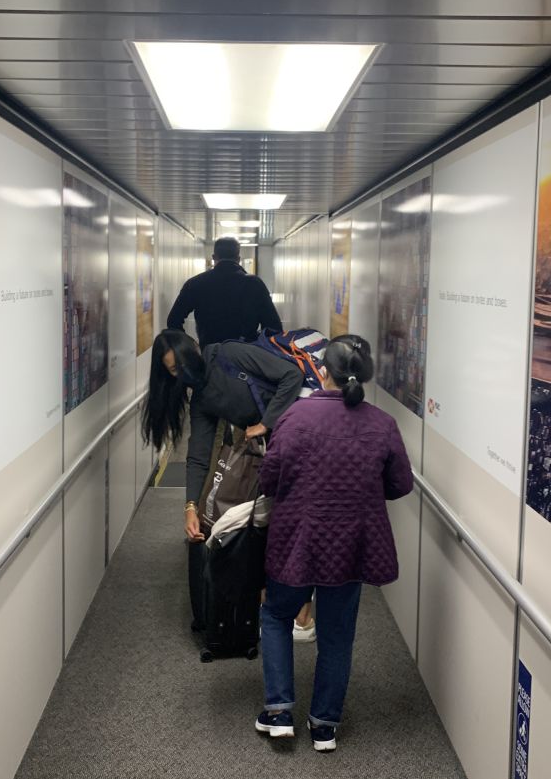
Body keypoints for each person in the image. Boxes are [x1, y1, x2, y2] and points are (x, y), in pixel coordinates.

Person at [252, 335, 412, 752]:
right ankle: (324, 725)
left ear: (323, 371)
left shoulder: (296, 416)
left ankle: (279, 711)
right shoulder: (382, 424)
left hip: (296, 541)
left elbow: (268, 479)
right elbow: (399, 485)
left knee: (275, 617)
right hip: (351, 547)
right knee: (338, 635)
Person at [140, 328, 304, 629]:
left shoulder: (230, 354)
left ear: (193, 348)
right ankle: (272, 601)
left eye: (182, 363)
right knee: (270, 522)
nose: (183, 373)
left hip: (297, 433)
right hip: (268, 452)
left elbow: (291, 376)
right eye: (174, 370)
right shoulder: (201, 398)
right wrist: (190, 506)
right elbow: (198, 456)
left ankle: (303, 614)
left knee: (295, 519)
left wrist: (265, 423)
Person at [166, 236, 282, 347]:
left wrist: (190, 346)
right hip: (245, 356)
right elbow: (273, 327)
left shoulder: (195, 283)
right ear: (238, 259)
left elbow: (173, 320)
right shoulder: (255, 284)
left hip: (210, 355)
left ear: (213, 257)